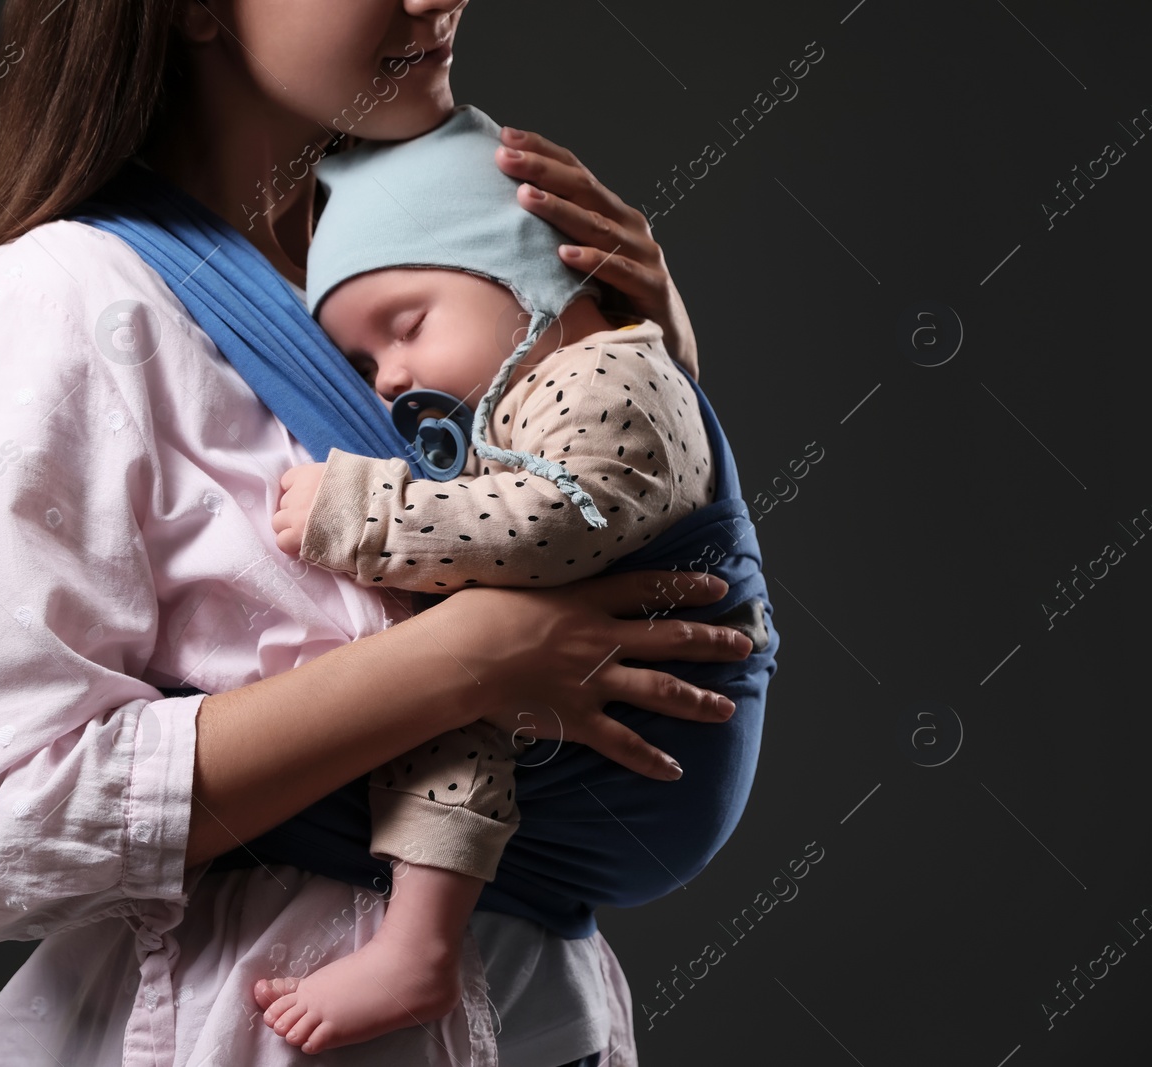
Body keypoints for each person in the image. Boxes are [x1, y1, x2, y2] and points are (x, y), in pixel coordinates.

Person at [0, 2, 772, 1065]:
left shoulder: (444, 256)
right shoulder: (57, 302)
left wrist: (646, 361)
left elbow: (586, 549)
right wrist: (467, 661)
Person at [245, 103, 774, 1053]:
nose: (388, 379)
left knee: (443, 693)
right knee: (437, 681)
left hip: (667, 752)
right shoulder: (529, 395)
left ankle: (416, 947)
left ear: (529, 282)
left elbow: (555, 526)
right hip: (610, 766)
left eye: (404, 327)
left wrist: (362, 513)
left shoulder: (615, 377)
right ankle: (421, 942)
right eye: (363, 361)